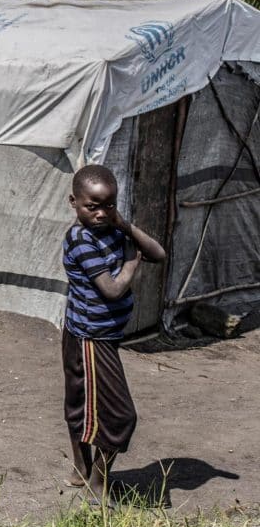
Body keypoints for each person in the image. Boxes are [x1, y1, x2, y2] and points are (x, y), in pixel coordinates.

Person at [61, 164, 166, 506]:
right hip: (91, 338)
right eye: (93, 206)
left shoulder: (113, 231)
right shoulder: (80, 239)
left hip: (97, 335)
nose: (101, 213)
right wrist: (132, 265)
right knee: (121, 416)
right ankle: (97, 480)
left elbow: (158, 253)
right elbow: (111, 289)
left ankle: (81, 470)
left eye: (109, 205)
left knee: (80, 402)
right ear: (74, 202)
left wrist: (125, 225)